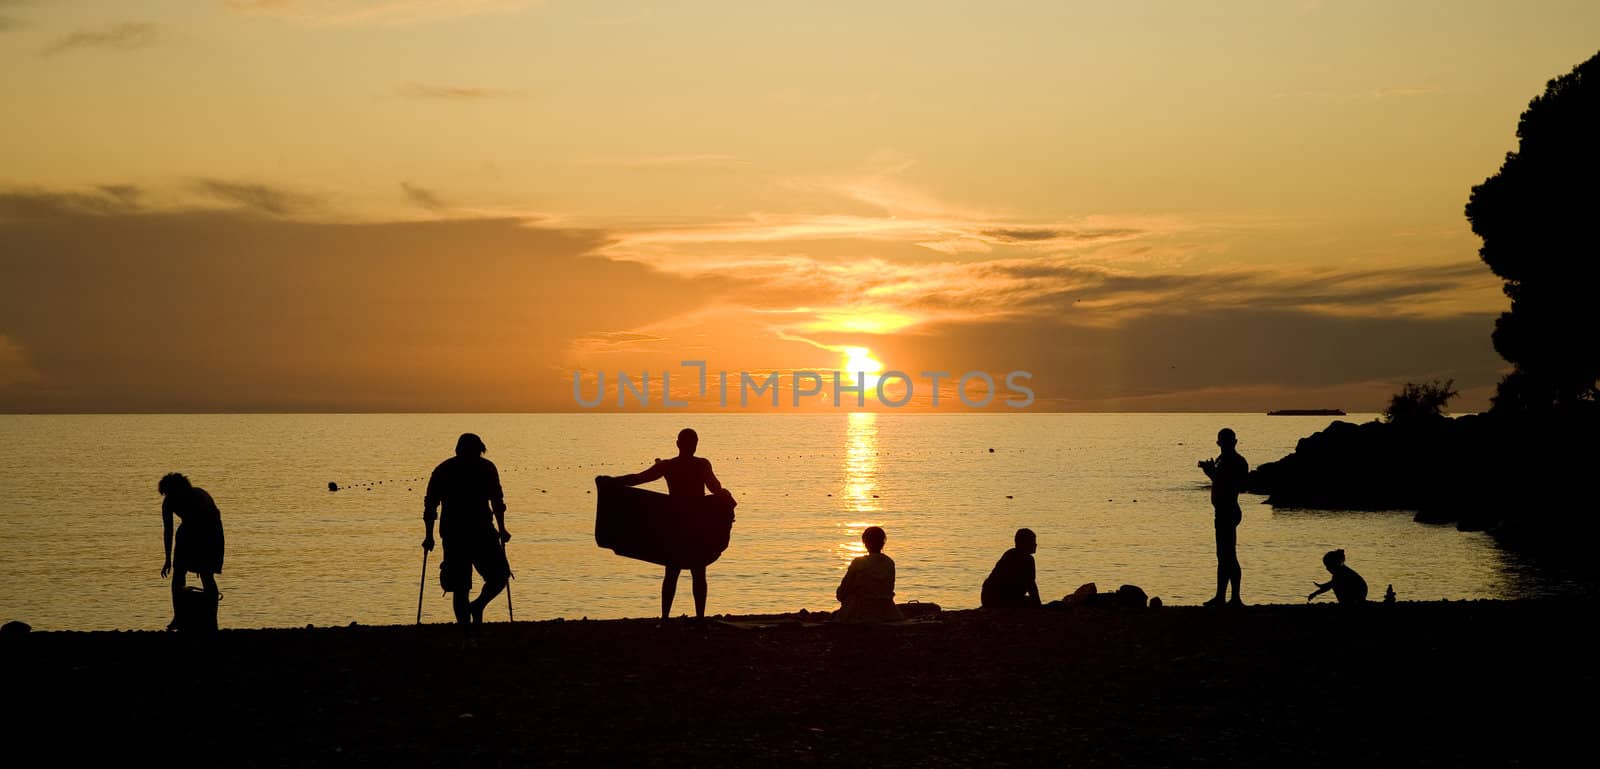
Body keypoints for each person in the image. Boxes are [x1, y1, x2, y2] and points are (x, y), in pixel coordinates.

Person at [604, 428, 727, 624]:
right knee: (697, 572)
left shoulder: (669, 466)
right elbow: (715, 488)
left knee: (673, 572)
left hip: (676, 525)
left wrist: (611, 482)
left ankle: (666, 619)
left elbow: (637, 478)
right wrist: (724, 494)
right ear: (693, 445)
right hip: (695, 525)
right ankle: (699, 620)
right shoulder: (701, 465)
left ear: (678, 444)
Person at [423, 433, 511, 632]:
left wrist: (503, 528)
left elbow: (497, 501)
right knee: (460, 585)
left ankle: (477, 606)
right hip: (455, 534)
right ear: (459, 451)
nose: (471, 456)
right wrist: (428, 535)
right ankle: (464, 629)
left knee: (500, 576)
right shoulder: (444, 470)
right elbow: (431, 504)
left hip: (483, 531)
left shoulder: (487, 468)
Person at [159, 473, 224, 630]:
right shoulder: (168, 502)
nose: (169, 497)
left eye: (171, 493)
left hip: (211, 532)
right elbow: (168, 530)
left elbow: (210, 521)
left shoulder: (199, 497)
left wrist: (201, 555)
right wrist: (168, 558)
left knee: (206, 574)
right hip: (188, 530)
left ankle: (211, 617)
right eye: (167, 494)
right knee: (178, 573)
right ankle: (179, 616)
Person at [1198, 427, 1249, 607]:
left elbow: (1236, 484)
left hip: (1228, 510)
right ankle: (1222, 596)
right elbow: (1219, 479)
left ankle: (1233, 597)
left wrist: (1212, 472)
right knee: (1223, 555)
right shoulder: (1225, 460)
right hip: (1222, 510)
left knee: (1228, 555)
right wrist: (1210, 471)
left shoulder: (1236, 461)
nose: (1224, 445)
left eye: (1226, 442)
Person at [834, 526, 903, 624]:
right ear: (883, 542)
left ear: (865, 543)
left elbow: (843, 591)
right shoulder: (889, 562)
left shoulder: (858, 563)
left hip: (861, 612)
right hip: (887, 611)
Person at [981, 528, 1042, 608]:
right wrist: (1038, 605)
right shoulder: (1023, 559)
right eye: (1032, 542)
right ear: (1022, 543)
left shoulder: (1011, 554)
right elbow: (1030, 585)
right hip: (998, 598)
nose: (1035, 544)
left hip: (991, 598)